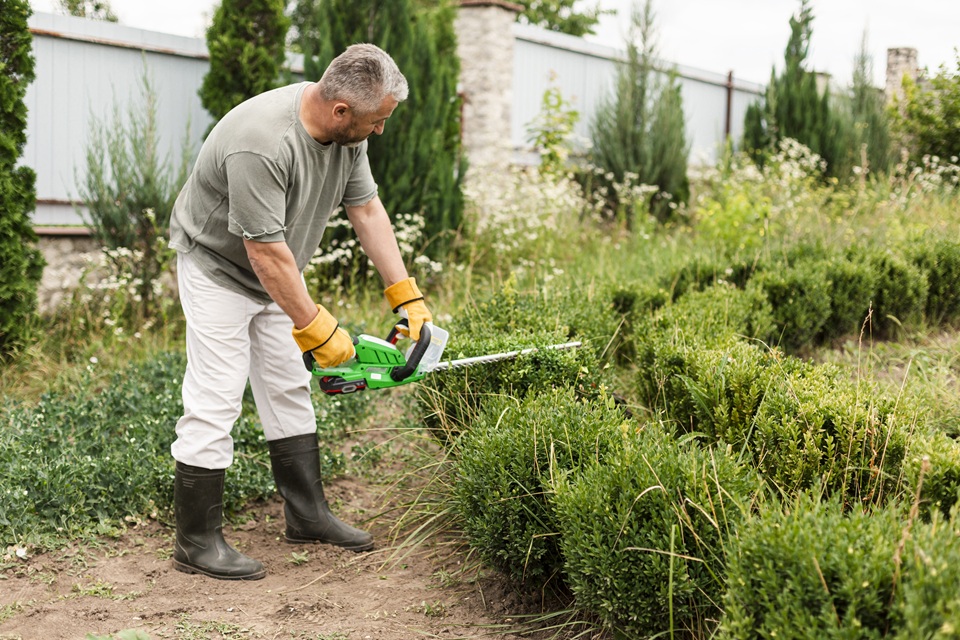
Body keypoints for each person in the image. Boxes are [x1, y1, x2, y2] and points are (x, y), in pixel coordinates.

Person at [167, 43, 432, 581]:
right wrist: (315, 326)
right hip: (219, 268)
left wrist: (404, 292)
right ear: (342, 111)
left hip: (277, 271)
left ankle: (307, 515)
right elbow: (262, 253)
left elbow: (366, 209)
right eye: (376, 121)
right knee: (216, 396)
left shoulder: (345, 136)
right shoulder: (262, 144)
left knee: (288, 384)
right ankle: (195, 541)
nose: (379, 131)